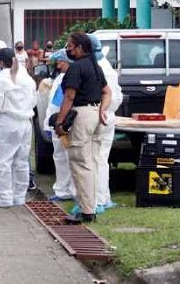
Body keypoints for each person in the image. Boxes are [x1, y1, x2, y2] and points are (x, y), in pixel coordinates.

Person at [53, 32, 111, 224]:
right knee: (92, 163)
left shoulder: (76, 68)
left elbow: (69, 97)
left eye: (70, 46)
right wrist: (102, 110)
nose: (67, 49)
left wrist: (60, 122)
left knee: (80, 163)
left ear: (79, 48)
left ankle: (86, 211)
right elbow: (106, 92)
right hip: (95, 116)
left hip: (82, 116)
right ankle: (91, 206)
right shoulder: (96, 66)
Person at [0, 48, 38, 207]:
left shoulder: (2, 78)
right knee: (21, 162)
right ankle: (19, 197)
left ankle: (5, 198)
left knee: (4, 162)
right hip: (25, 123)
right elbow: (34, 100)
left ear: (0, 62)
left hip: (6, 123)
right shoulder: (26, 77)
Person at [88, 34, 123, 211]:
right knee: (102, 159)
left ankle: (98, 200)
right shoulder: (107, 66)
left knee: (95, 160)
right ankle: (103, 197)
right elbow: (118, 95)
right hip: (108, 116)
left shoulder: (96, 68)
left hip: (99, 115)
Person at [43, 49, 75, 202]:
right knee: (60, 157)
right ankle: (62, 189)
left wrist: (58, 123)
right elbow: (52, 104)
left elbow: (63, 103)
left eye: (61, 62)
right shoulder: (60, 78)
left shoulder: (70, 79)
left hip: (63, 124)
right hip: (57, 124)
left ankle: (69, 190)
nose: (58, 65)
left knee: (68, 157)